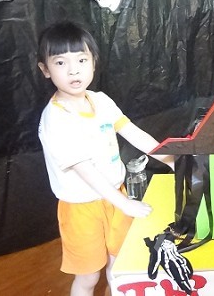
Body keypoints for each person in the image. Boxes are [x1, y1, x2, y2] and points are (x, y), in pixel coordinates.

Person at [36, 20, 174, 296]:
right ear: (45, 70)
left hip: (115, 196)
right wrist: (124, 203)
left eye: (81, 60)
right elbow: (84, 169)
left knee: (118, 266)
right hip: (81, 209)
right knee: (88, 277)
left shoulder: (100, 101)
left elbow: (132, 132)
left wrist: (171, 159)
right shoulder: (56, 118)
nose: (73, 70)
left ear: (93, 62)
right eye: (60, 63)